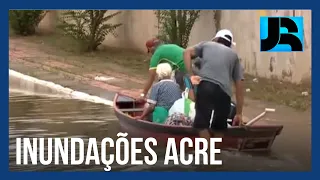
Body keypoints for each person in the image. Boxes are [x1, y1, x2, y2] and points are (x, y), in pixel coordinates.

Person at [183, 29, 244, 142]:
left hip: (206, 86)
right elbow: (239, 85)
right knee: (219, 129)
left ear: (215, 39)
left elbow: (186, 52)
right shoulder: (234, 56)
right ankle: (215, 154)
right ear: (230, 44)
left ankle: (209, 153)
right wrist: (239, 113)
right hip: (224, 93)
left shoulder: (206, 45)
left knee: (201, 125)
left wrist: (191, 75)